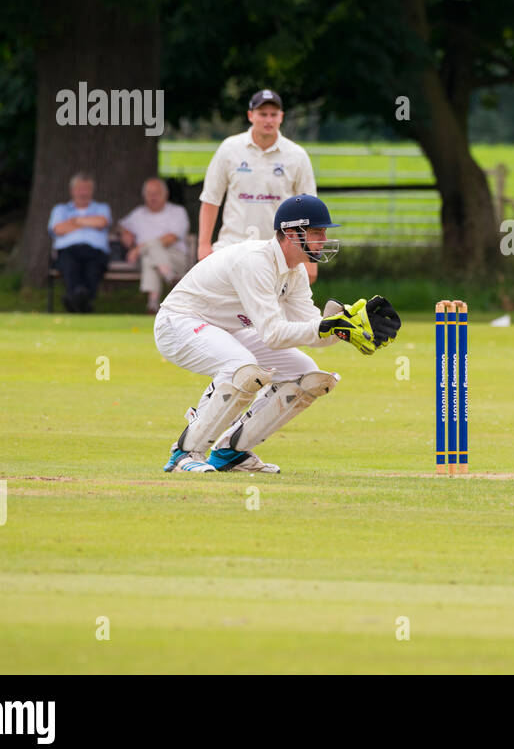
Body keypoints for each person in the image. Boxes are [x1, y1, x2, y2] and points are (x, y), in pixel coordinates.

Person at [154, 194, 401, 474]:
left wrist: (347, 329)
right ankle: (184, 454)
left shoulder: (293, 273)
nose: (323, 239)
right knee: (242, 368)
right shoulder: (255, 262)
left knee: (308, 376)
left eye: (324, 232)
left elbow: (312, 328)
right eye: (317, 232)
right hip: (179, 323)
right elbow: (273, 333)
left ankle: (229, 452)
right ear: (291, 233)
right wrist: (326, 326)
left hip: (226, 329)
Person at [197, 88, 321, 284]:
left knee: (274, 312)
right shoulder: (230, 148)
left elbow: (309, 210)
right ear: (250, 115)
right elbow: (211, 199)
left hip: (279, 250)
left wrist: (310, 257)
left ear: (281, 117)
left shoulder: (296, 155)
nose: (268, 120)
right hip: (232, 245)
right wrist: (204, 245)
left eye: (273, 114)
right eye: (263, 114)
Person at [119, 177, 191, 313]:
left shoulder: (177, 212)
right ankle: (170, 278)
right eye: (149, 194)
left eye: (156, 193)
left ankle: (152, 305)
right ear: (144, 196)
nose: (153, 197)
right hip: (155, 261)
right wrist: (125, 233)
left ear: (165, 194)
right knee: (149, 256)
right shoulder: (138, 214)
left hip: (175, 257)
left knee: (151, 250)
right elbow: (121, 226)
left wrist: (138, 249)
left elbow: (171, 238)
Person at [48, 172, 113, 314]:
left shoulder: (102, 208)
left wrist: (75, 221)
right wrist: (89, 222)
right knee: (70, 266)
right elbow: (58, 228)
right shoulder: (61, 209)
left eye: (86, 189)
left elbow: (101, 222)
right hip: (68, 251)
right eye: (79, 189)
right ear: (72, 191)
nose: (83, 193)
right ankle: (81, 300)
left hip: (95, 252)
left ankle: (74, 299)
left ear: (92, 191)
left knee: (93, 268)